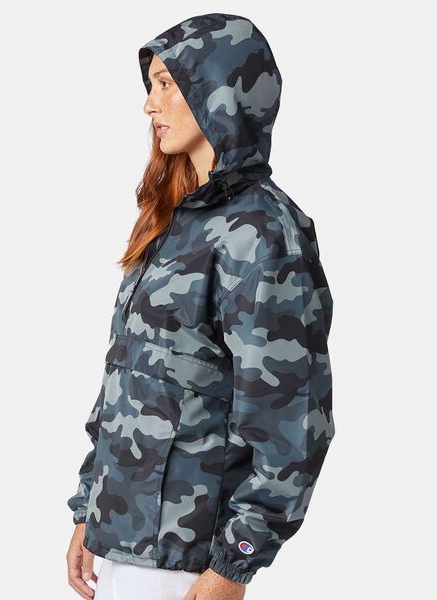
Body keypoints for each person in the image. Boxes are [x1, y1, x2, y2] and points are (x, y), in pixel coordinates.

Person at [66, 12, 335, 600]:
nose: (150, 105)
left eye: (167, 84)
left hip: (190, 559)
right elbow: (129, 380)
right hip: (127, 544)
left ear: (218, 89)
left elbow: (293, 421)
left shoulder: (262, 233)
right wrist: (90, 509)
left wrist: (236, 563)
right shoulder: (176, 219)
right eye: (152, 85)